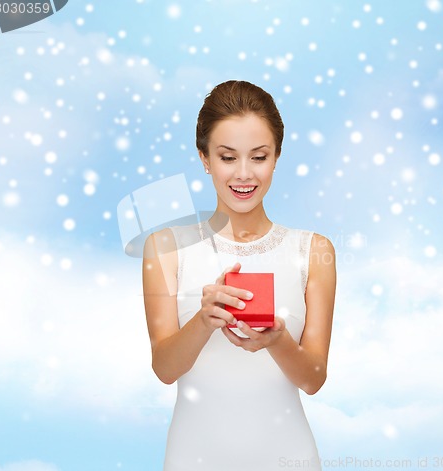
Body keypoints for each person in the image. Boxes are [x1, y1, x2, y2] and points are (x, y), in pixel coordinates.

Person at [142, 80, 336, 471]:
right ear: (204, 158)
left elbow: (314, 379)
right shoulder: (165, 248)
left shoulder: (314, 251)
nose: (244, 174)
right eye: (228, 157)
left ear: (277, 157)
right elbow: (165, 369)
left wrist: (278, 341)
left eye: (259, 157)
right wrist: (203, 321)